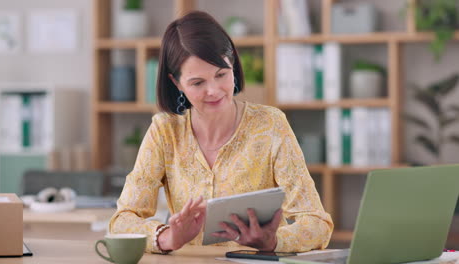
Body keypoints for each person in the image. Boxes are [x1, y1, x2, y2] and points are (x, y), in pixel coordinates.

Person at [109, 10, 333, 254]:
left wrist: (274, 242)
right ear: (176, 83)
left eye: (221, 75)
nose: (214, 91)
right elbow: (121, 221)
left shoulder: (270, 125)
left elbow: (317, 224)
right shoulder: (165, 131)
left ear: (233, 66)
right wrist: (167, 237)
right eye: (198, 83)